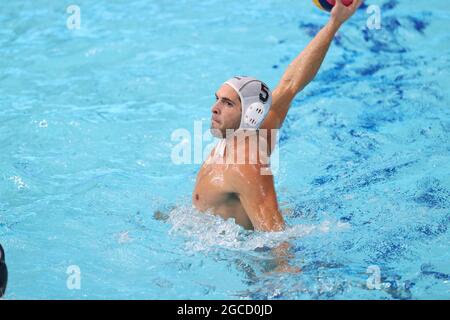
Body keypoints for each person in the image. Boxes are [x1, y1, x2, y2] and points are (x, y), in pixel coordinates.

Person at [193, 0, 362, 233]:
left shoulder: (246, 166)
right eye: (217, 98)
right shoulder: (250, 134)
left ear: (250, 115)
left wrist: (282, 267)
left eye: (228, 103)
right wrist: (334, 23)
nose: (214, 108)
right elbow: (291, 83)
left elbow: (277, 240)